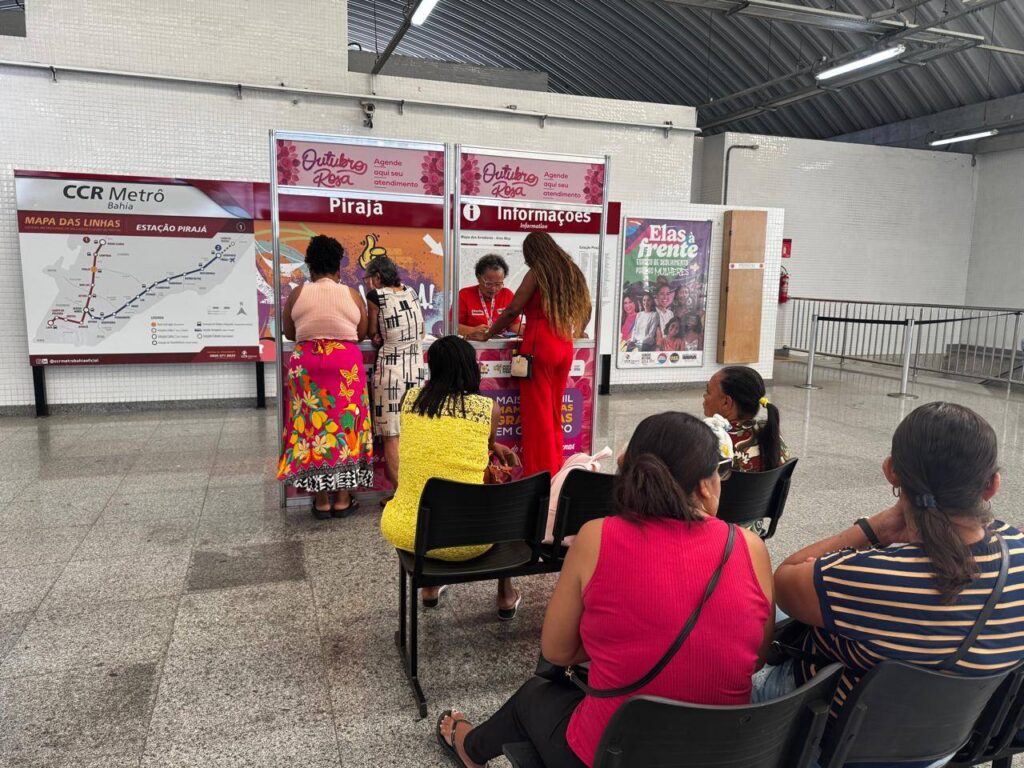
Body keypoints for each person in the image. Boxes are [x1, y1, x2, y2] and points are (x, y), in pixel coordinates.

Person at [436, 412, 774, 768]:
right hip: (726, 755)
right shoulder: (750, 547)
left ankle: (469, 748)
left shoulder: (597, 537)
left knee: (533, 697)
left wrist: (620, 641)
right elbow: (757, 657)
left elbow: (556, 651)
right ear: (705, 486)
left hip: (612, 756)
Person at [759, 402, 1024, 768]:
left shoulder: (868, 576)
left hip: (836, 745)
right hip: (944, 745)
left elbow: (784, 582)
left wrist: (872, 530)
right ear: (992, 485)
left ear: (890, 471)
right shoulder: (1017, 551)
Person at [380, 336, 521, 613]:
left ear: (433, 368)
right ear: (471, 367)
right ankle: (506, 595)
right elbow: (481, 441)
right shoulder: (487, 408)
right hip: (469, 540)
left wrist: (493, 446)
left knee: (433, 480)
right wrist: (495, 446)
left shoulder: (410, 400)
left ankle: (430, 587)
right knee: (502, 504)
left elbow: (436, 445)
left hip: (409, 532)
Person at [482, 232, 591, 479]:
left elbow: (513, 310)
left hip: (539, 347)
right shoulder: (571, 270)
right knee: (554, 414)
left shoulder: (537, 272)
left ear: (532, 252)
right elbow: (587, 306)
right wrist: (578, 329)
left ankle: (541, 476)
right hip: (563, 344)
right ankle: (556, 471)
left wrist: (488, 334)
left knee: (537, 418)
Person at [278, 235, 372, 519]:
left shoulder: (298, 293)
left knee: (311, 428)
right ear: (338, 267)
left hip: (306, 366)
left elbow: (290, 332)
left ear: (310, 266)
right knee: (347, 425)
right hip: (344, 365)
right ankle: (342, 499)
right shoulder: (351, 295)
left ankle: (320, 501)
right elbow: (362, 333)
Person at [365, 255, 425, 487]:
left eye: (368, 278)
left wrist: (376, 336)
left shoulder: (376, 296)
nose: (367, 283)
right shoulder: (411, 291)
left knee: (391, 434)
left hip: (391, 372)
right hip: (416, 371)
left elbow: (372, 332)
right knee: (412, 432)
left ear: (377, 277)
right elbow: (420, 331)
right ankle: (414, 490)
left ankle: (400, 494)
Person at [703, 365, 789, 472]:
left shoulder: (713, 441)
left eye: (708, 391)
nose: (704, 396)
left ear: (726, 402)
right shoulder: (773, 435)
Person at [457, 254, 520, 340]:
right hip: (473, 344)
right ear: (478, 278)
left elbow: (514, 326)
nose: (493, 289)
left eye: (498, 284)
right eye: (488, 284)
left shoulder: (507, 294)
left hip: (500, 345)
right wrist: (472, 330)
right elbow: (451, 326)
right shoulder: (465, 294)